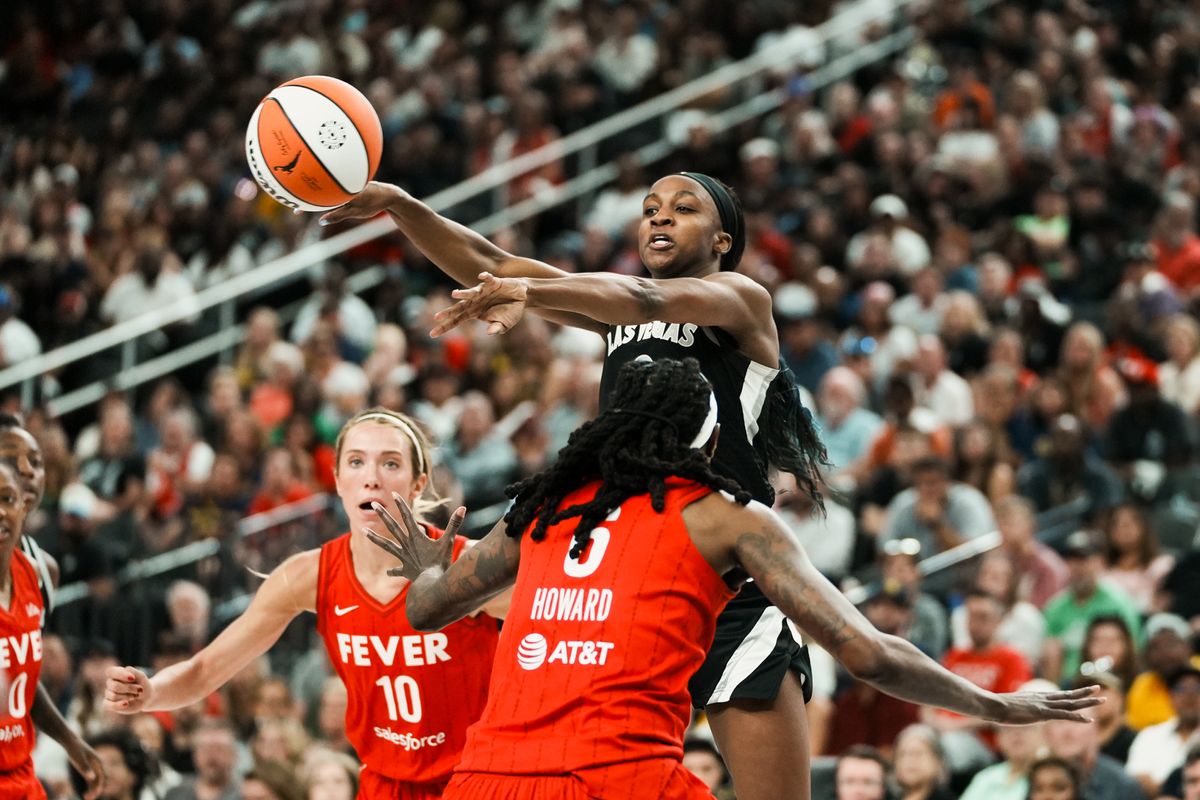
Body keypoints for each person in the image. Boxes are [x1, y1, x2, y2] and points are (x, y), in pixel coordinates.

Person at [367, 358, 1102, 800]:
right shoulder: (726, 516)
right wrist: (992, 706)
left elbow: (427, 608)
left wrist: (432, 566)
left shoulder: (545, 507)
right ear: (712, 441)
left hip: (486, 781)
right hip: (620, 778)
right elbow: (868, 652)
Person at [321, 174, 829, 796]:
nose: (659, 219)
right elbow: (490, 262)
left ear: (723, 238)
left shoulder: (740, 299)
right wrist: (402, 205)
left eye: (683, 209)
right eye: (649, 210)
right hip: (634, 589)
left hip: (733, 585)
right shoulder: (614, 315)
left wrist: (529, 290)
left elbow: (645, 297)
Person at [103, 408, 504, 799]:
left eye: (391, 463)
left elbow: (560, 630)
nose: (372, 478)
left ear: (418, 484)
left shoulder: (471, 564)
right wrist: (152, 692)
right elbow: (206, 669)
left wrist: (460, 587)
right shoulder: (309, 575)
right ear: (337, 480)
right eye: (357, 462)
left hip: (476, 780)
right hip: (383, 784)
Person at [0, 414, 106, 797]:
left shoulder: (43, 571)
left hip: (20, 772)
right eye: (13, 460)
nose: (28, 472)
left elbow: (19, 679)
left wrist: (70, 741)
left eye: (36, 461)